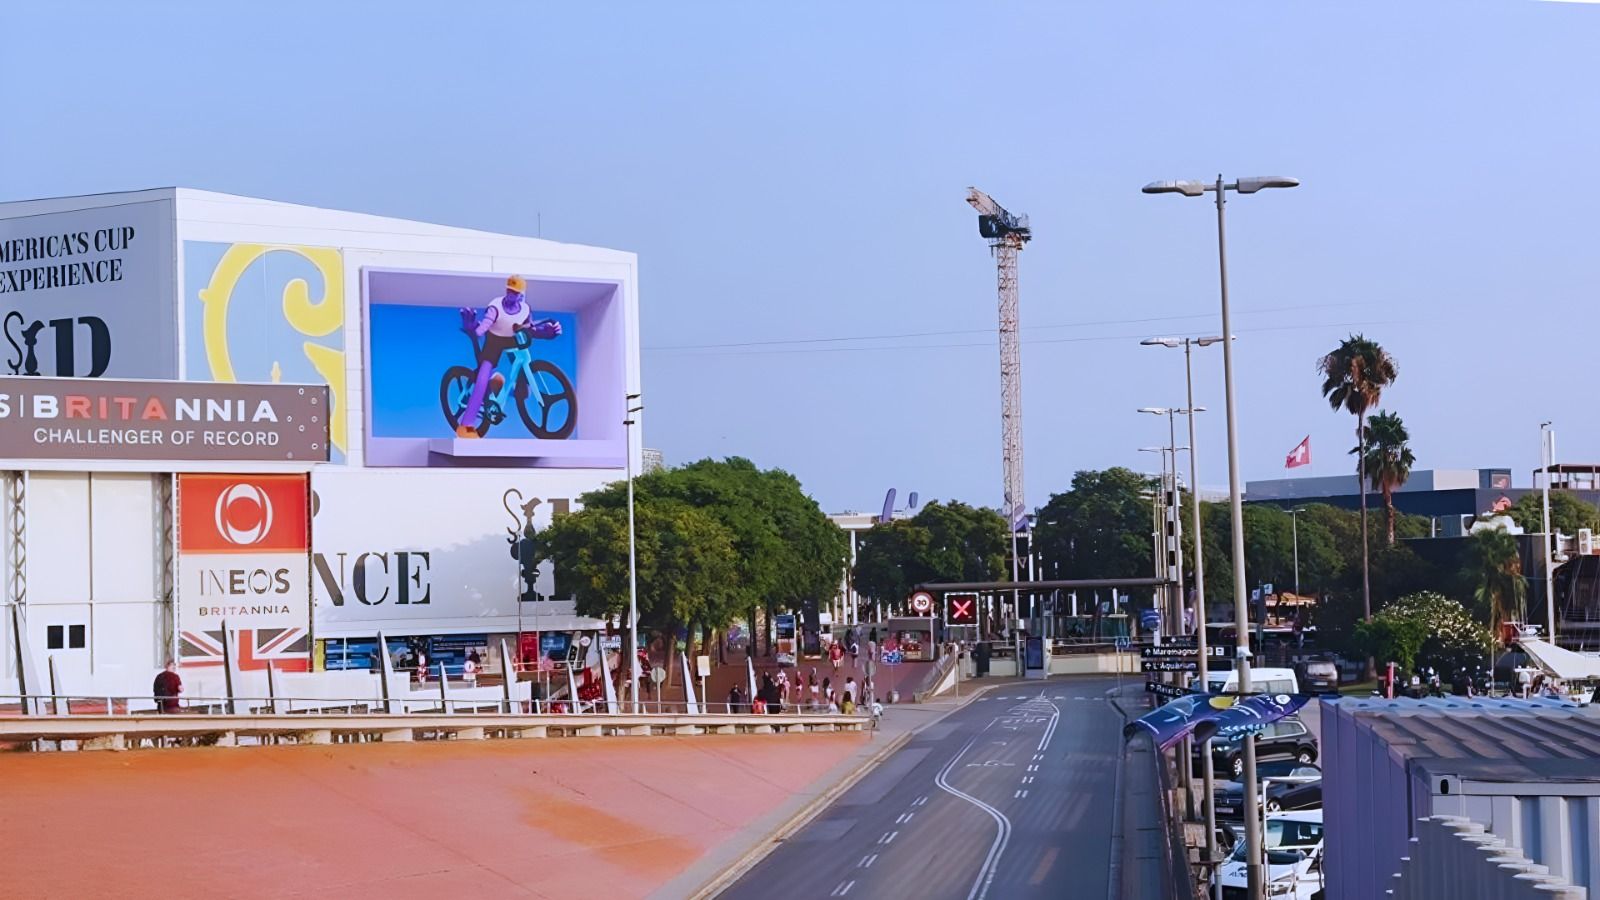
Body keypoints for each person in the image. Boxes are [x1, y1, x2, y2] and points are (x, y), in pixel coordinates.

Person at [454, 275, 562, 438]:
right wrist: (475, 331)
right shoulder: (496, 307)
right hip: (493, 343)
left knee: (523, 391)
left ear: (521, 295)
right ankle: (466, 425)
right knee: (482, 380)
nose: (511, 295)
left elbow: (529, 328)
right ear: (506, 290)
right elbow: (486, 324)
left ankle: (499, 386)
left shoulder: (525, 309)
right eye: (510, 291)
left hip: (514, 341)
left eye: (515, 293)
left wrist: (547, 334)